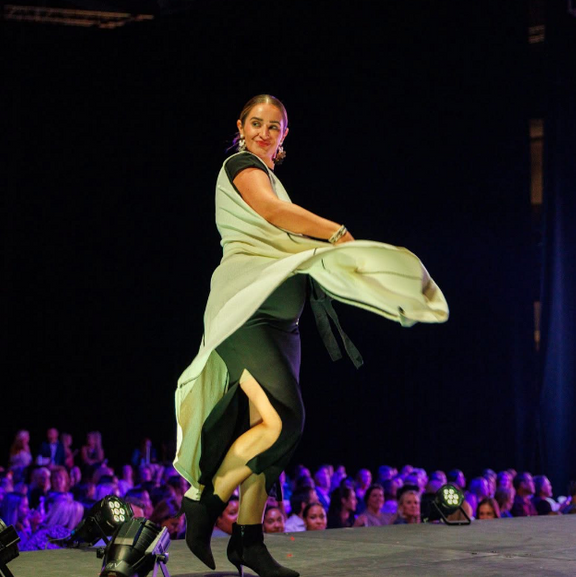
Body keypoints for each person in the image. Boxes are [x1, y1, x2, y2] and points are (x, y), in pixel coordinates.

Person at [175, 94, 448, 577]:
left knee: (267, 437)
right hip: (247, 315)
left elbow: (287, 233)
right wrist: (337, 232)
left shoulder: (272, 177)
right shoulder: (241, 166)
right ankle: (205, 501)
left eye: (273, 126)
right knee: (283, 421)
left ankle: (249, 541)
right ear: (240, 126)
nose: (263, 131)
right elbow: (273, 213)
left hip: (282, 326)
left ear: (284, 136)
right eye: (256, 123)